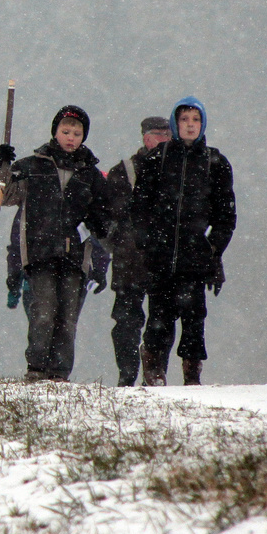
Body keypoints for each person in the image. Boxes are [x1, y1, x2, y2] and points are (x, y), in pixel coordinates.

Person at [0, 105, 111, 382]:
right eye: (65, 131)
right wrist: (1, 167)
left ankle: (59, 373)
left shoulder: (91, 175)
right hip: (40, 253)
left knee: (67, 319)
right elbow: (2, 195)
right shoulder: (33, 166)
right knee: (43, 313)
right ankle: (36, 369)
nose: (71, 137)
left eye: (77, 133)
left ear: (84, 137)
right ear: (55, 132)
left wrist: (102, 248)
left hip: (77, 257)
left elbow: (105, 218)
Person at [131, 97, 236, 386]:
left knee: (194, 319)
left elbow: (226, 216)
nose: (190, 125)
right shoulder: (157, 160)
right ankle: (153, 371)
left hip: (195, 257)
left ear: (203, 124)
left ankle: (192, 376)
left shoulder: (216, 163)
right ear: (175, 123)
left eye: (196, 119)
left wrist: (212, 249)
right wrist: (147, 244)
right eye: (184, 119)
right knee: (158, 318)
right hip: (161, 255)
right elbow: (139, 208)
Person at [101, 116, 173, 386]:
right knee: (126, 323)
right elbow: (111, 217)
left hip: (163, 261)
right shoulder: (124, 171)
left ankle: (156, 375)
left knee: (161, 322)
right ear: (146, 138)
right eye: (159, 134)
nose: (165, 139)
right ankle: (127, 376)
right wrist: (122, 244)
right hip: (129, 261)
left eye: (168, 133)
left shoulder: (178, 170)